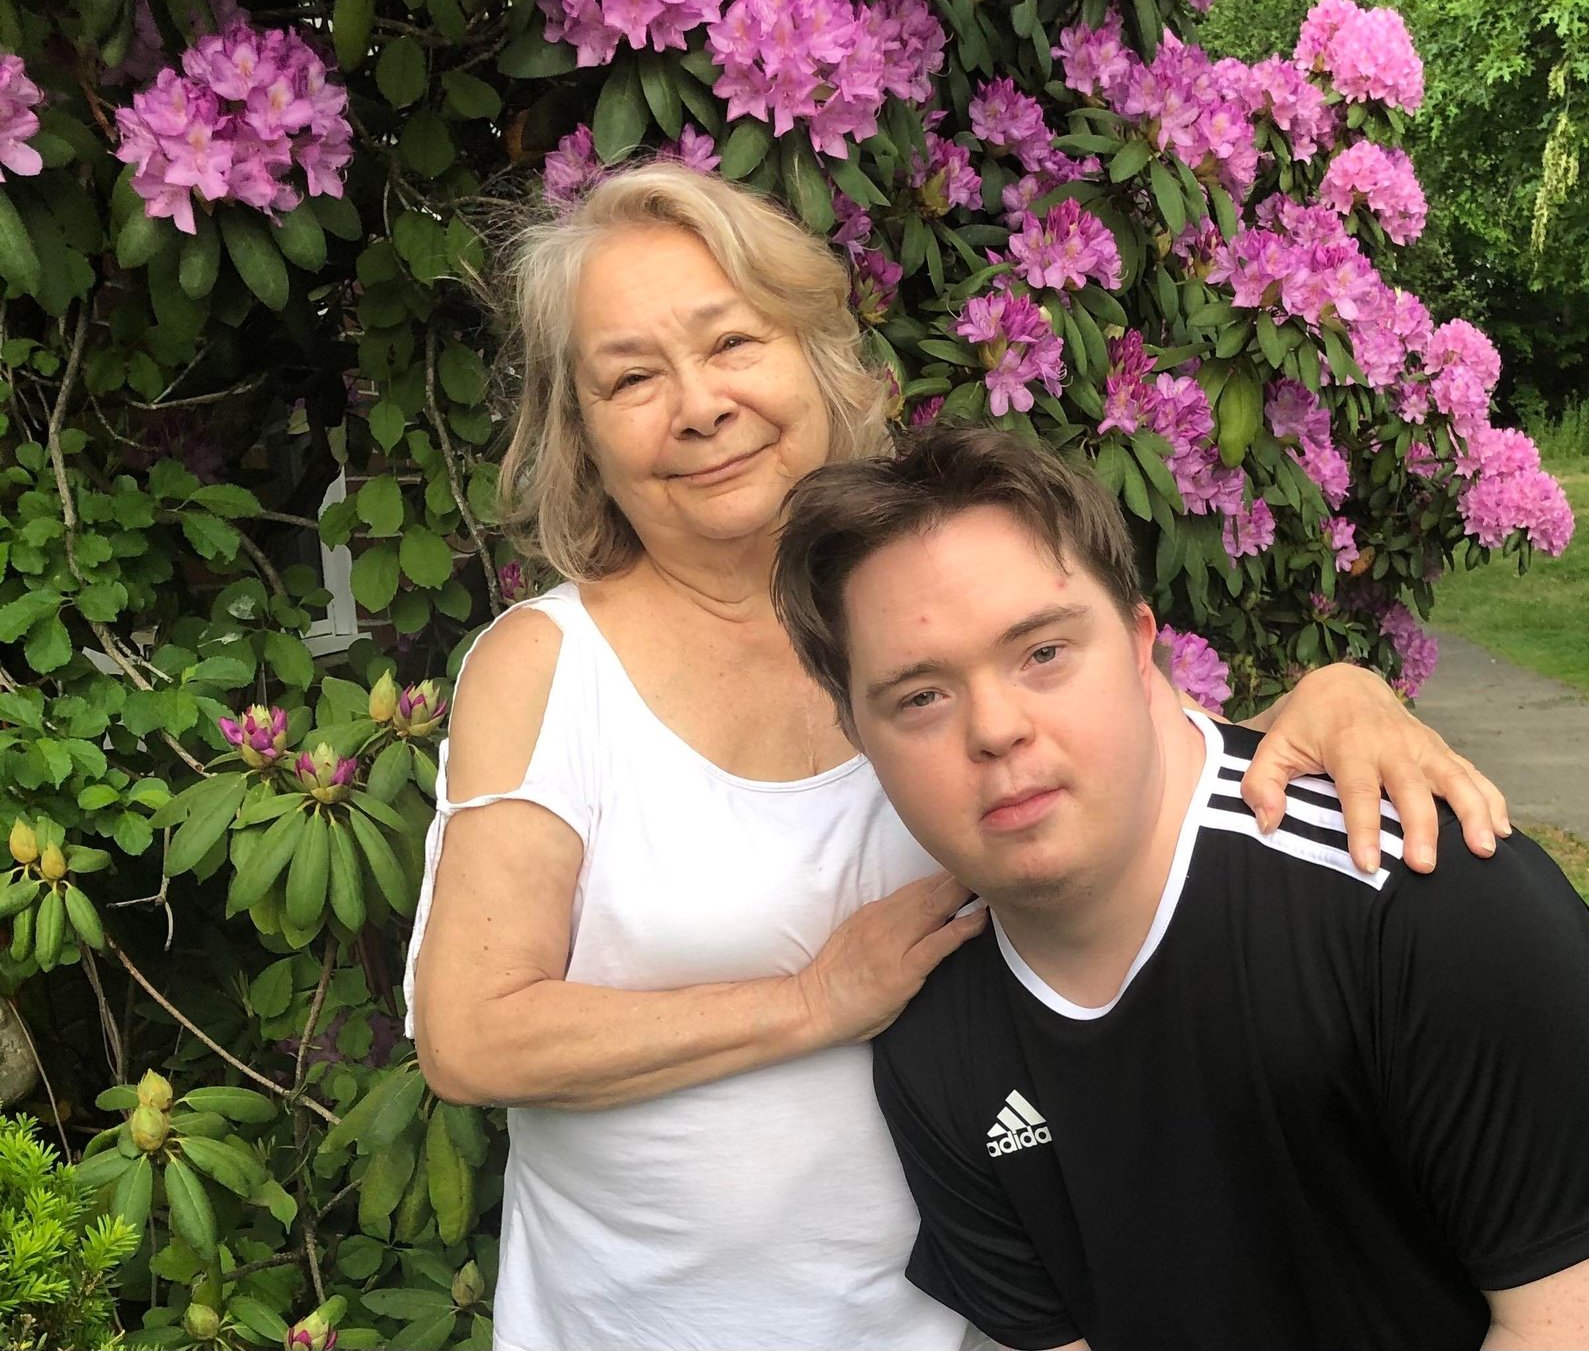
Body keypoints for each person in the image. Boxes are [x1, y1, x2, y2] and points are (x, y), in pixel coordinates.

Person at [403, 162, 1514, 1351]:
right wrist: (805, 1003)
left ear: (816, 358)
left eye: (732, 342)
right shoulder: (545, 666)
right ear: (580, 433)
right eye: (630, 376)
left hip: (991, 1318)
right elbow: (473, 1032)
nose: (696, 405)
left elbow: (1142, 775)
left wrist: (1339, 694)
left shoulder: (931, 603)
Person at [772, 426, 1589, 1351]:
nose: (992, 727)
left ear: (1139, 648)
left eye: (1042, 651)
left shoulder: (1416, 900)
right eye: (918, 695)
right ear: (858, 734)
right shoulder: (937, 1033)